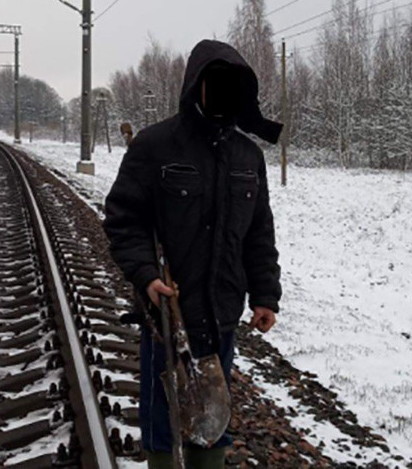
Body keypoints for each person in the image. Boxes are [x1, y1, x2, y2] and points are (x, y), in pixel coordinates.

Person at [103, 39, 283, 468]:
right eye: (216, 83)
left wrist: (265, 296)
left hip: (222, 313)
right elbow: (123, 219)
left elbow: (258, 233)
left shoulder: (248, 156)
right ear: (196, 85)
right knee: (164, 422)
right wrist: (147, 276)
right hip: (168, 314)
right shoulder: (155, 146)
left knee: (215, 415)